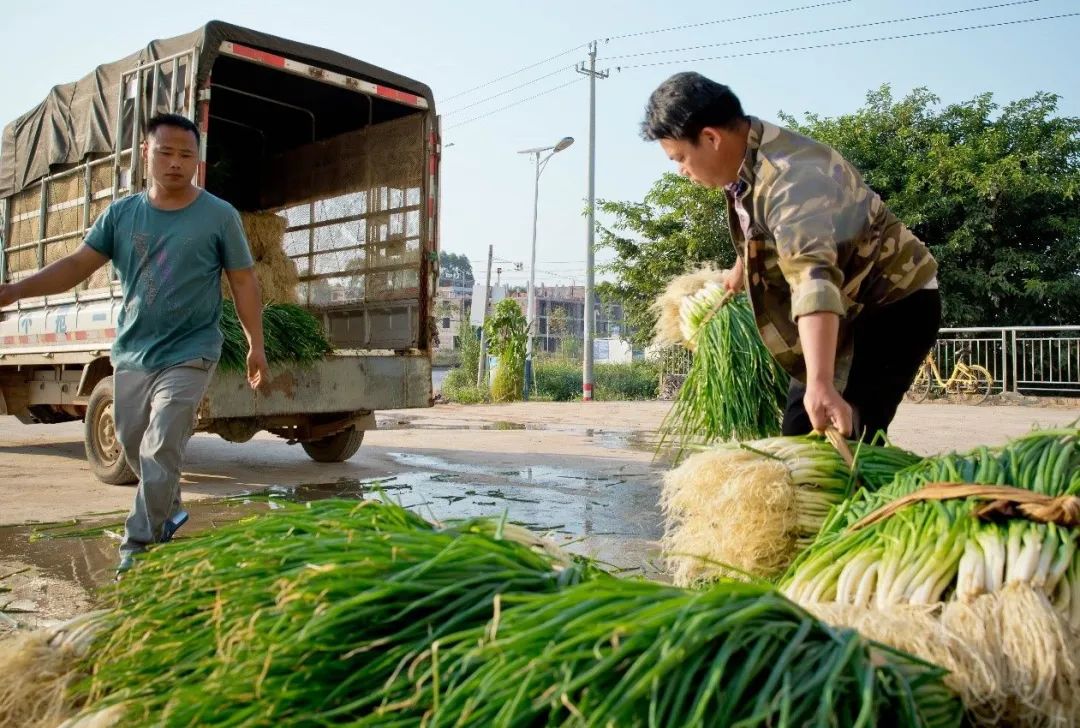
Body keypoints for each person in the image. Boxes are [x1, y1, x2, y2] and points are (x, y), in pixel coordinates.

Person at [0, 113, 269, 573]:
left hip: (192, 350)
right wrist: (15, 290)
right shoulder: (122, 215)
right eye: (165, 152)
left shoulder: (218, 216)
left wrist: (255, 343)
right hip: (133, 353)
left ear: (197, 161)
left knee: (161, 441)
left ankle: (138, 544)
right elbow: (75, 265)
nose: (175, 163)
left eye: (186, 155)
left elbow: (243, 282)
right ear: (145, 154)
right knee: (131, 443)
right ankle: (169, 507)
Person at [642, 72, 940, 440]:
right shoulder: (746, 161)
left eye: (681, 158)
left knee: (845, 437)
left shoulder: (790, 178)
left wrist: (820, 381)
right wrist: (739, 270)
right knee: (801, 432)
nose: (682, 171)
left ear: (710, 137)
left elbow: (814, 277)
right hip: (848, 304)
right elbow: (765, 229)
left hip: (891, 304)